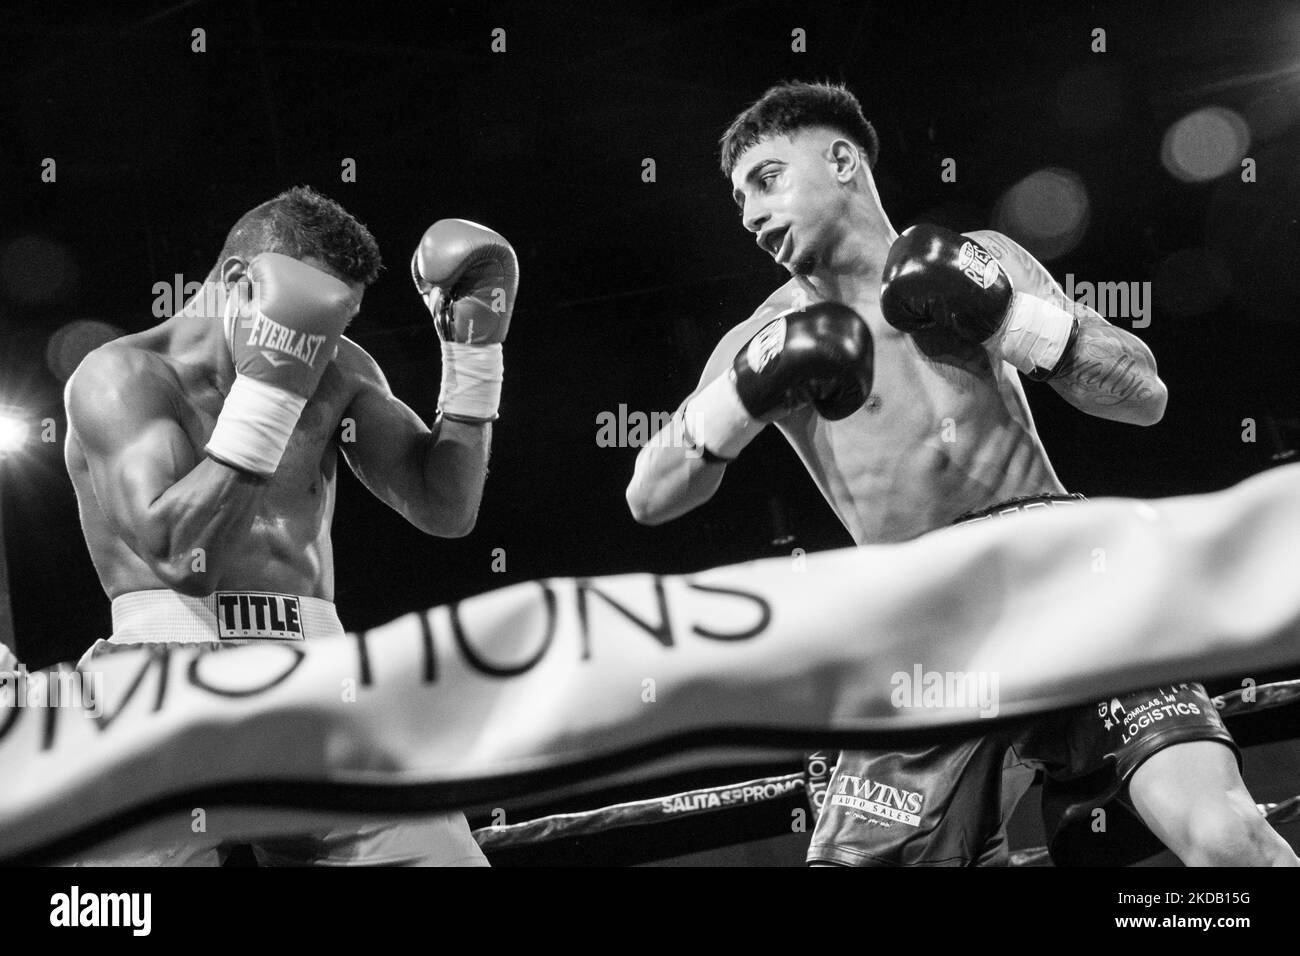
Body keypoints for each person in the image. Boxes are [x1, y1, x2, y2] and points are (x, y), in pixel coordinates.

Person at [627, 81, 1296, 866]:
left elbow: (1144, 396)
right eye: (738, 197)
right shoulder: (767, 334)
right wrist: (739, 398)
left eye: (767, 178)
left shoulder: (985, 259)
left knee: (1226, 839)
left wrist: (1014, 318)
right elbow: (649, 494)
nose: (750, 213)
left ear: (841, 159)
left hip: (1061, 567)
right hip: (919, 616)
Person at [61, 185, 516, 866]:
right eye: (311, 322)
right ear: (242, 284)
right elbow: (182, 554)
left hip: (314, 680)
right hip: (159, 686)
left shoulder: (342, 369)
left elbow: (446, 507)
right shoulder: (121, 377)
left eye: (335, 322)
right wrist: (271, 391)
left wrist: (473, 359)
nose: (322, 343)